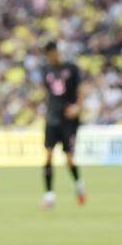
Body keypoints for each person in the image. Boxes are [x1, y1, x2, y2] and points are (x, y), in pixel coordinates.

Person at [39, 42, 86, 210]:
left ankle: (79, 185)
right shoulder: (45, 70)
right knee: (49, 156)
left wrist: (78, 107)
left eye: (54, 53)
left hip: (69, 120)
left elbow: (82, 89)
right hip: (52, 119)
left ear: (57, 52)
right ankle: (49, 196)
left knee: (69, 158)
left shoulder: (71, 68)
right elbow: (47, 93)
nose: (52, 57)